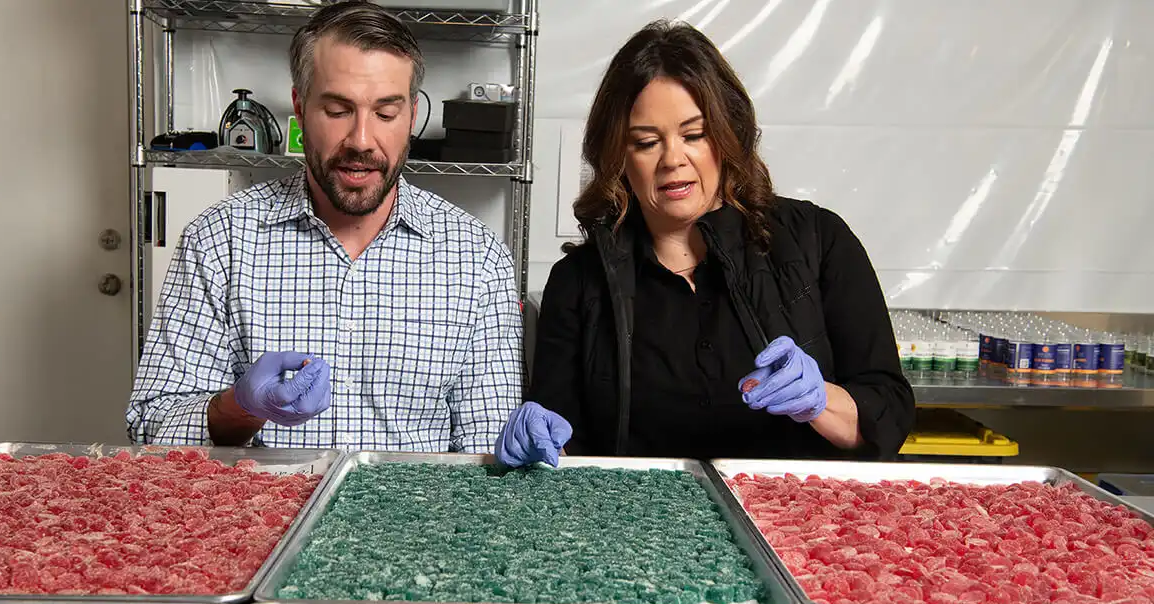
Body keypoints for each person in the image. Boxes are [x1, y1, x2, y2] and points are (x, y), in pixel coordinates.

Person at [495, 20, 913, 467]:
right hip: (640, 525)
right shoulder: (578, 282)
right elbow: (563, 444)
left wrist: (820, 401)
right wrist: (538, 443)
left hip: (796, 519)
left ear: (727, 135)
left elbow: (889, 412)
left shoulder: (818, 241)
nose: (673, 159)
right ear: (618, 157)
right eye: (646, 142)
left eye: (694, 135)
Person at [127, 0, 521, 452]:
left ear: (412, 116)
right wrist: (242, 407)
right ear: (300, 106)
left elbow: (486, 440)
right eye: (337, 110)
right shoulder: (219, 239)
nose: (361, 141)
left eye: (386, 114)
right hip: (259, 516)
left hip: (413, 518)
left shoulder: (479, 257)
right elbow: (152, 424)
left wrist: (515, 451)